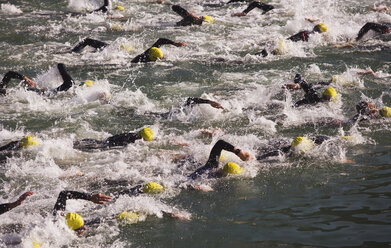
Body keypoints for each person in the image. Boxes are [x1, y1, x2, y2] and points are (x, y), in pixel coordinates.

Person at [256, 23, 327, 57]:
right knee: (268, 54)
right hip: (286, 46)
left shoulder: (308, 32)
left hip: (285, 44)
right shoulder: (313, 35)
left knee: (266, 53)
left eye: (317, 28)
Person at [0, 64, 74, 96]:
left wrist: (25, 78)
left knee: (69, 82)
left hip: (41, 92)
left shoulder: (2, 91)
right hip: (45, 95)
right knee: (69, 83)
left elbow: (9, 74)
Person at [73, 127, 154, 151]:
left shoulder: (133, 134)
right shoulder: (133, 140)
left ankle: (74, 143)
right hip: (106, 144)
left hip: (108, 140)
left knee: (96, 142)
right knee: (95, 145)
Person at [257, 135, 330, 160]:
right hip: (277, 144)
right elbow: (267, 155)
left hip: (284, 141)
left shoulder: (313, 141)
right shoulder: (284, 151)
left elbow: (328, 140)